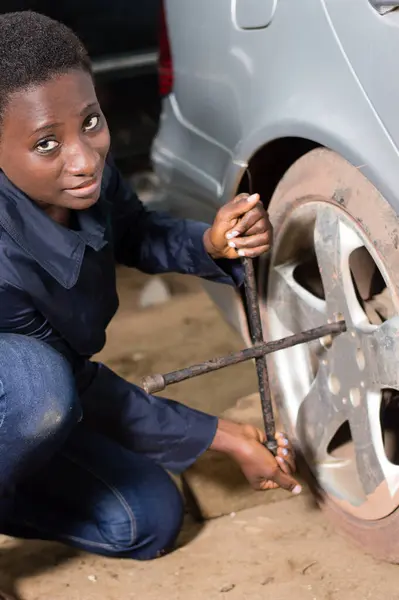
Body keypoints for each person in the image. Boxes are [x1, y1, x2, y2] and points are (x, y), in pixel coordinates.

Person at [0, 11, 301, 598]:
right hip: (26, 393)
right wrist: (225, 436)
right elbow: (71, 387)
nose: (84, 158)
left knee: (148, 520)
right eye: (46, 144)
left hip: (28, 410)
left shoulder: (85, 172)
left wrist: (209, 243)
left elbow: (134, 230)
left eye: (91, 121)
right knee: (38, 387)